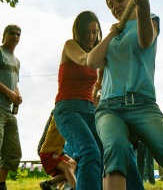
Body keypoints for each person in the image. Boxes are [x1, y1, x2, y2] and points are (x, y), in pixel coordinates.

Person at [87, 0, 163, 189]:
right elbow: (92, 62)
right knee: (115, 147)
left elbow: (145, 41)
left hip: (143, 104)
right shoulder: (112, 35)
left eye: (119, 0)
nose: (115, 7)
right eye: (110, 5)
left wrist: (144, 5)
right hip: (109, 108)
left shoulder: (150, 19)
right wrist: (113, 32)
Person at [53, 10, 144, 190]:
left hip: (90, 109)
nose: (91, 36)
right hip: (68, 109)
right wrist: (110, 37)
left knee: (122, 148)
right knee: (90, 151)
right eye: (87, 32)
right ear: (78, 32)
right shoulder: (70, 46)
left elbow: (102, 78)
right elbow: (85, 59)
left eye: (95, 32)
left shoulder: (96, 53)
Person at [0, 24, 22, 190]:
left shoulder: (16, 61)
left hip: (8, 110)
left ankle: (1, 185)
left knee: (13, 150)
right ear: (4, 35)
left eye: (18, 34)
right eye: (12, 33)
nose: (15, 36)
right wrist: (8, 92)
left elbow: (14, 84)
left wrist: (17, 95)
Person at [39, 112, 76, 190]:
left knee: (73, 163)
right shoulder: (57, 118)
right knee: (67, 167)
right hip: (48, 152)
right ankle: (76, 187)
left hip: (58, 152)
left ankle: (48, 183)